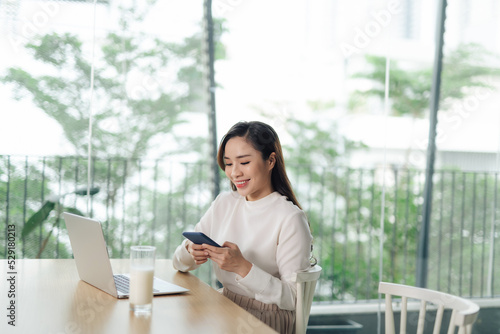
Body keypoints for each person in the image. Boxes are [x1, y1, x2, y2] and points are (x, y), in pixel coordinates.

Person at [173, 121, 313, 334]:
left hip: (267, 318)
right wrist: (190, 251)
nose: (234, 173)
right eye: (228, 164)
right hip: (226, 305)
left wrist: (243, 267)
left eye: (244, 162)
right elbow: (178, 263)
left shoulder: (290, 218)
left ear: (270, 161)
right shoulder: (224, 203)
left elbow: (293, 299)